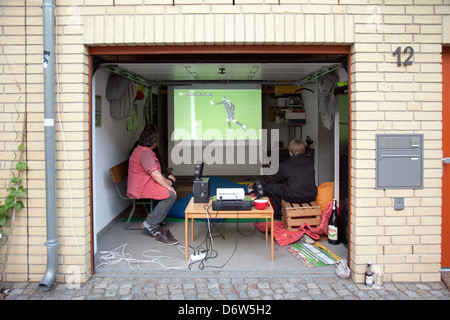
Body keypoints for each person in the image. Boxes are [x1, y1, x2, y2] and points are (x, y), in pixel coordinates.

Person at [127, 129, 178, 245]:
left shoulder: (141, 150)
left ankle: (155, 219)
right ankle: (150, 223)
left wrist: (166, 181)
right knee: (171, 195)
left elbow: (155, 172)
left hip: (144, 182)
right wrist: (168, 186)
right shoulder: (145, 153)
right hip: (141, 186)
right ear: (154, 143)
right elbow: (154, 173)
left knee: (170, 186)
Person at [263, 139, 318, 218]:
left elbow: (277, 180)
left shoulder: (285, 165)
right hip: (311, 195)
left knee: (271, 187)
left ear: (290, 152)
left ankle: (279, 213)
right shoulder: (311, 162)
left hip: (293, 196)